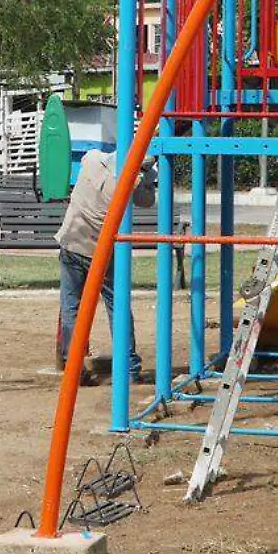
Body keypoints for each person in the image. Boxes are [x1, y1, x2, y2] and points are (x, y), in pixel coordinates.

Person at [54, 150, 156, 381]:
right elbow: (147, 201)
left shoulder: (91, 160)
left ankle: (73, 367)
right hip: (100, 252)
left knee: (72, 308)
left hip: (71, 241)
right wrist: (147, 178)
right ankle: (129, 366)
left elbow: (101, 156)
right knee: (117, 306)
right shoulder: (129, 183)